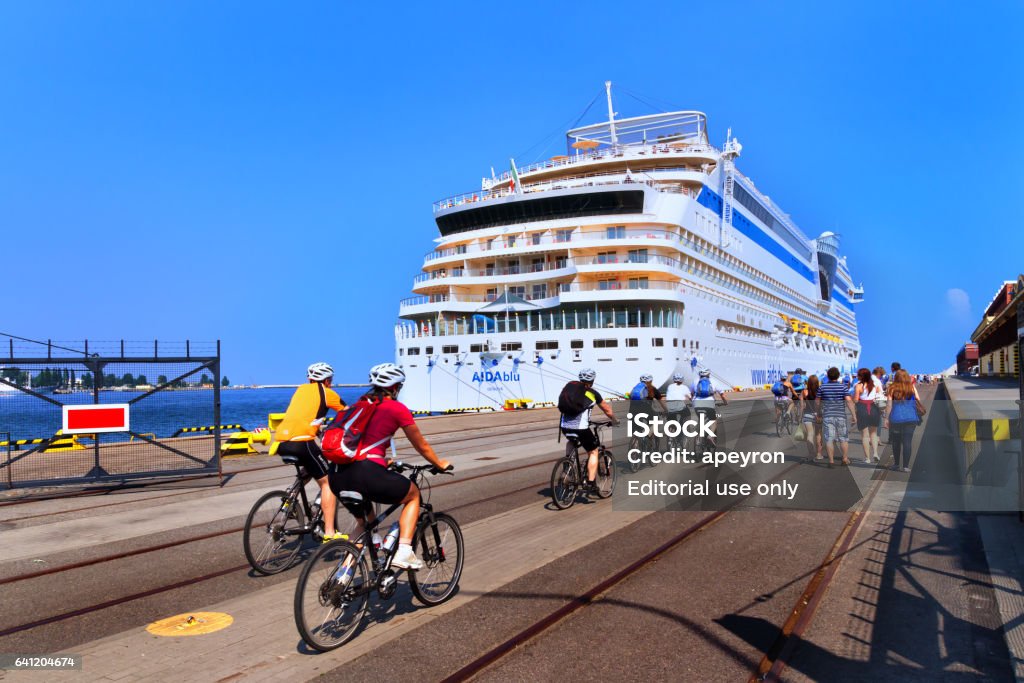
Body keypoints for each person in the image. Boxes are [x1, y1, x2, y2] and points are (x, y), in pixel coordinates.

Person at [328, 363, 451, 569]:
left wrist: (383, 461)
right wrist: (440, 463)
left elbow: (360, 443)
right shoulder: (396, 408)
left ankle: (342, 576)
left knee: (364, 525)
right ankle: (404, 551)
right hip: (366, 473)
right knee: (413, 496)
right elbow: (421, 445)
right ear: (394, 388)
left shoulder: (358, 406)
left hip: (337, 474)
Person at [274, 362, 348, 542]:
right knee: (328, 482)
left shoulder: (300, 390)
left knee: (311, 466)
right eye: (330, 380)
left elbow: (304, 416)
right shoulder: (327, 392)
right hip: (302, 443)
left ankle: (289, 500)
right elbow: (348, 413)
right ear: (327, 380)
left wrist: (318, 428)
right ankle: (330, 533)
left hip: (282, 442)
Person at [561, 368, 617, 489]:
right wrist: (616, 421)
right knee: (593, 451)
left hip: (564, 426)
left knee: (571, 441)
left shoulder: (571, 388)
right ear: (592, 380)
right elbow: (607, 410)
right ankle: (591, 483)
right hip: (580, 428)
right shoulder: (592, 393)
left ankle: (567, 466)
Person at [816, 367, 854, 467]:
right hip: (841, 415)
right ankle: (845, 459)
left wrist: (818, 413)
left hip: (828, 416)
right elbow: (849, 401)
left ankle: (831, 461)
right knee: (843, 438)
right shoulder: (843, 387)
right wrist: (854, 415)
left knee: (829, 439)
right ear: (838, 376)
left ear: (828, 376)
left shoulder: (822, 387)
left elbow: (817, 402)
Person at [884, 369, 921, 472]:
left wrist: (886, 418)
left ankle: (896, 464)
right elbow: (918, 399)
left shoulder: (892, 388)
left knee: (896, 442)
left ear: (896, 378)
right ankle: (905, 467)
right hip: (911, 418)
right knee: (907, 442)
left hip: (896, 419)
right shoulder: (911, 387)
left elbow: (889, 405)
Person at [692, 369, 728, 447]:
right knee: (713, 420)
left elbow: (692, 393)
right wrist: (725, 402)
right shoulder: (713, 381)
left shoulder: (695, 381)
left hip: (697, 404)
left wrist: (693, 401)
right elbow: (722, 394)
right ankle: (710, 436)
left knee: (700, 419)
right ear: (709, 375)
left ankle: (698, 436)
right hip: (709, 404)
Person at [853, 368, 881, 464]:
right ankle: (876, 453)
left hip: (862, 409)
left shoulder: (858, 386)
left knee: (865, 436)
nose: (857, 376)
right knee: (874, 433)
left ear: (861, 376)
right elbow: (879, 395)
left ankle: (867, 458)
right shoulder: (875, 384)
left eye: (858, 375)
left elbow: (856, 400)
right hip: (874, 408)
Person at [801, 374, 823, 461]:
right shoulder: (820, 391)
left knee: (810, 434)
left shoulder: (804, 392)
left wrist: (799, 416)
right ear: (817, 382)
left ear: (808, 383)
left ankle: (811, 455)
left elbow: (802, 406)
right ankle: (819, 454)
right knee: (818, 435)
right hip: (818, 415)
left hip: (807, 414)